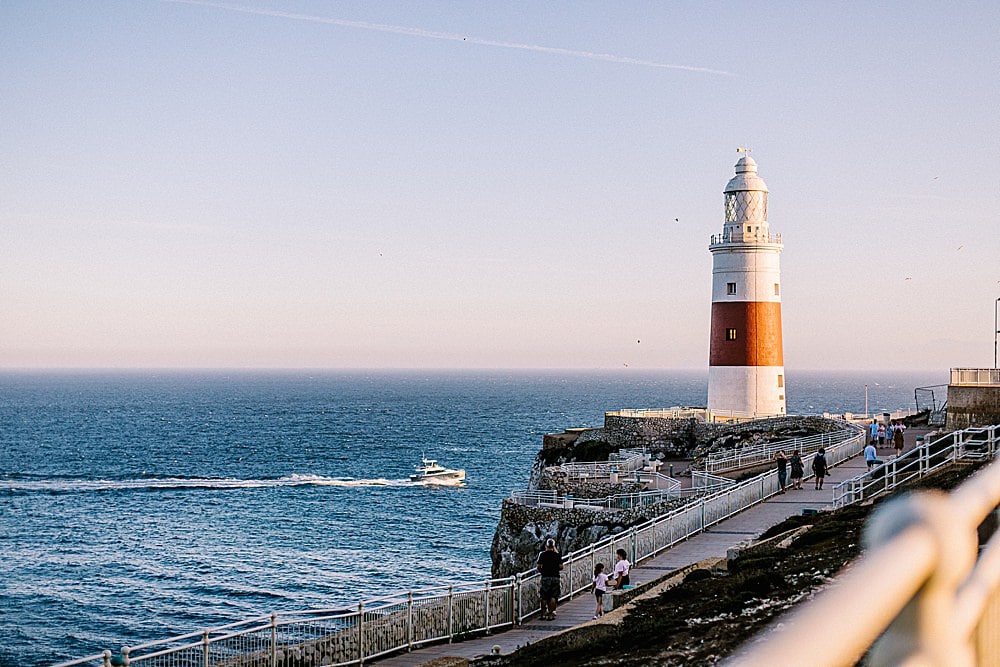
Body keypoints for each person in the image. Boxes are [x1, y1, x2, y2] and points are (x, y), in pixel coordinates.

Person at [536, 537, 563, 620]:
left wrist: (542, 571)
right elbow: (561, 566)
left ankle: (543, 614)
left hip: (545, 577)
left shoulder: (542, 554)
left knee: (544, 596)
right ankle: (551, 614)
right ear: (554, 546)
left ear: (546, 546)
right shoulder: (557, 555)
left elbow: (538, 566)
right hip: (555, 577)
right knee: (553, 596)